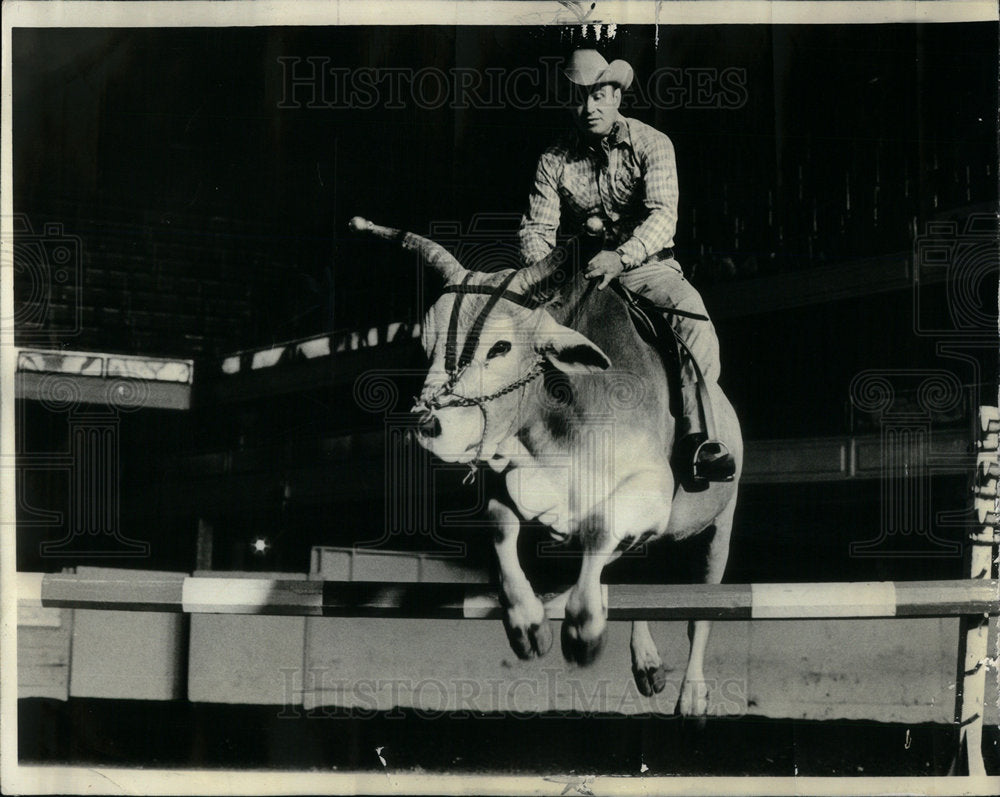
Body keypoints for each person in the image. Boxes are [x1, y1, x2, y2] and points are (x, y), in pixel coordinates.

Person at [518, 49, 735, 483]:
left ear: (617, 95)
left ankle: (700, 437)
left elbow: (662, 216)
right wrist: (546, 278)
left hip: (649, 269)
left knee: (695, 324)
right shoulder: (553, 159)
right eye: (578, 98)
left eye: (598, 95)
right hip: (582, 277)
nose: (588, 107)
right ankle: (521, 443)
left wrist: (622, 257)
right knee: (527, 335)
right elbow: (536, 230)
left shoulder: (653, 144)